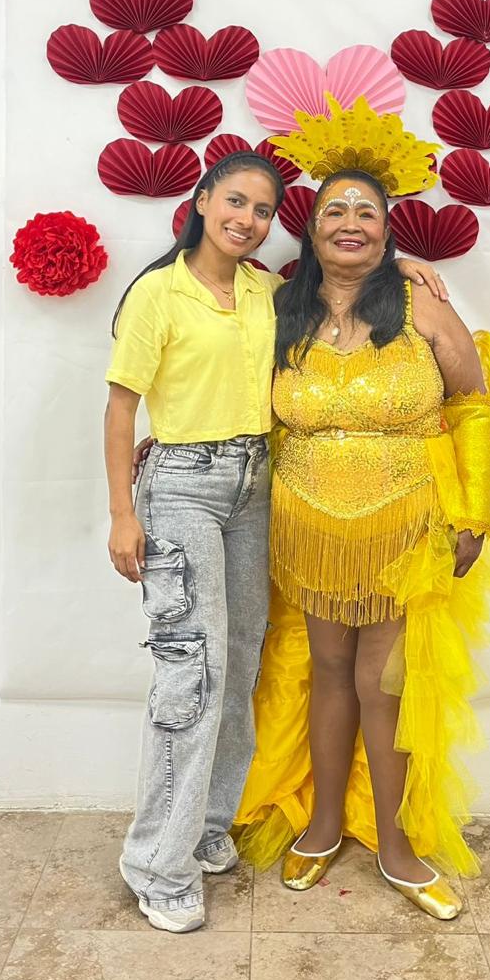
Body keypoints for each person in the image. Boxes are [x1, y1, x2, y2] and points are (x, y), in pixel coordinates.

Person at [104, 149, 446, 933]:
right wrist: (124, 513)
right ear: (201, 200)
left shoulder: (266, 290)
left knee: (239, 663)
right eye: (235, 201)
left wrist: (406, 263)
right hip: (185, 485)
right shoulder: (158, 292)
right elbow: (121, 407)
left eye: (262, 210)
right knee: (192, 674)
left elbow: (345, 276)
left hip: (256, 483)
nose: (248, 219)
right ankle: (157, 864)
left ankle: (206, 827)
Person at [234, 159, 490, 920]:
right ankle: (324, 825)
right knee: (329, 672)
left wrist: (472, 513)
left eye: (367, 212)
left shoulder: (421, 304)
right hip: (308, 530)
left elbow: (473, 403)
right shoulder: (277, 309)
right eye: (335, 211)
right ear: (310, 230)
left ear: (388, 230)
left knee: (381, 681)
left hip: (405, 525)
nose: (351, 223)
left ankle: (397, 848)